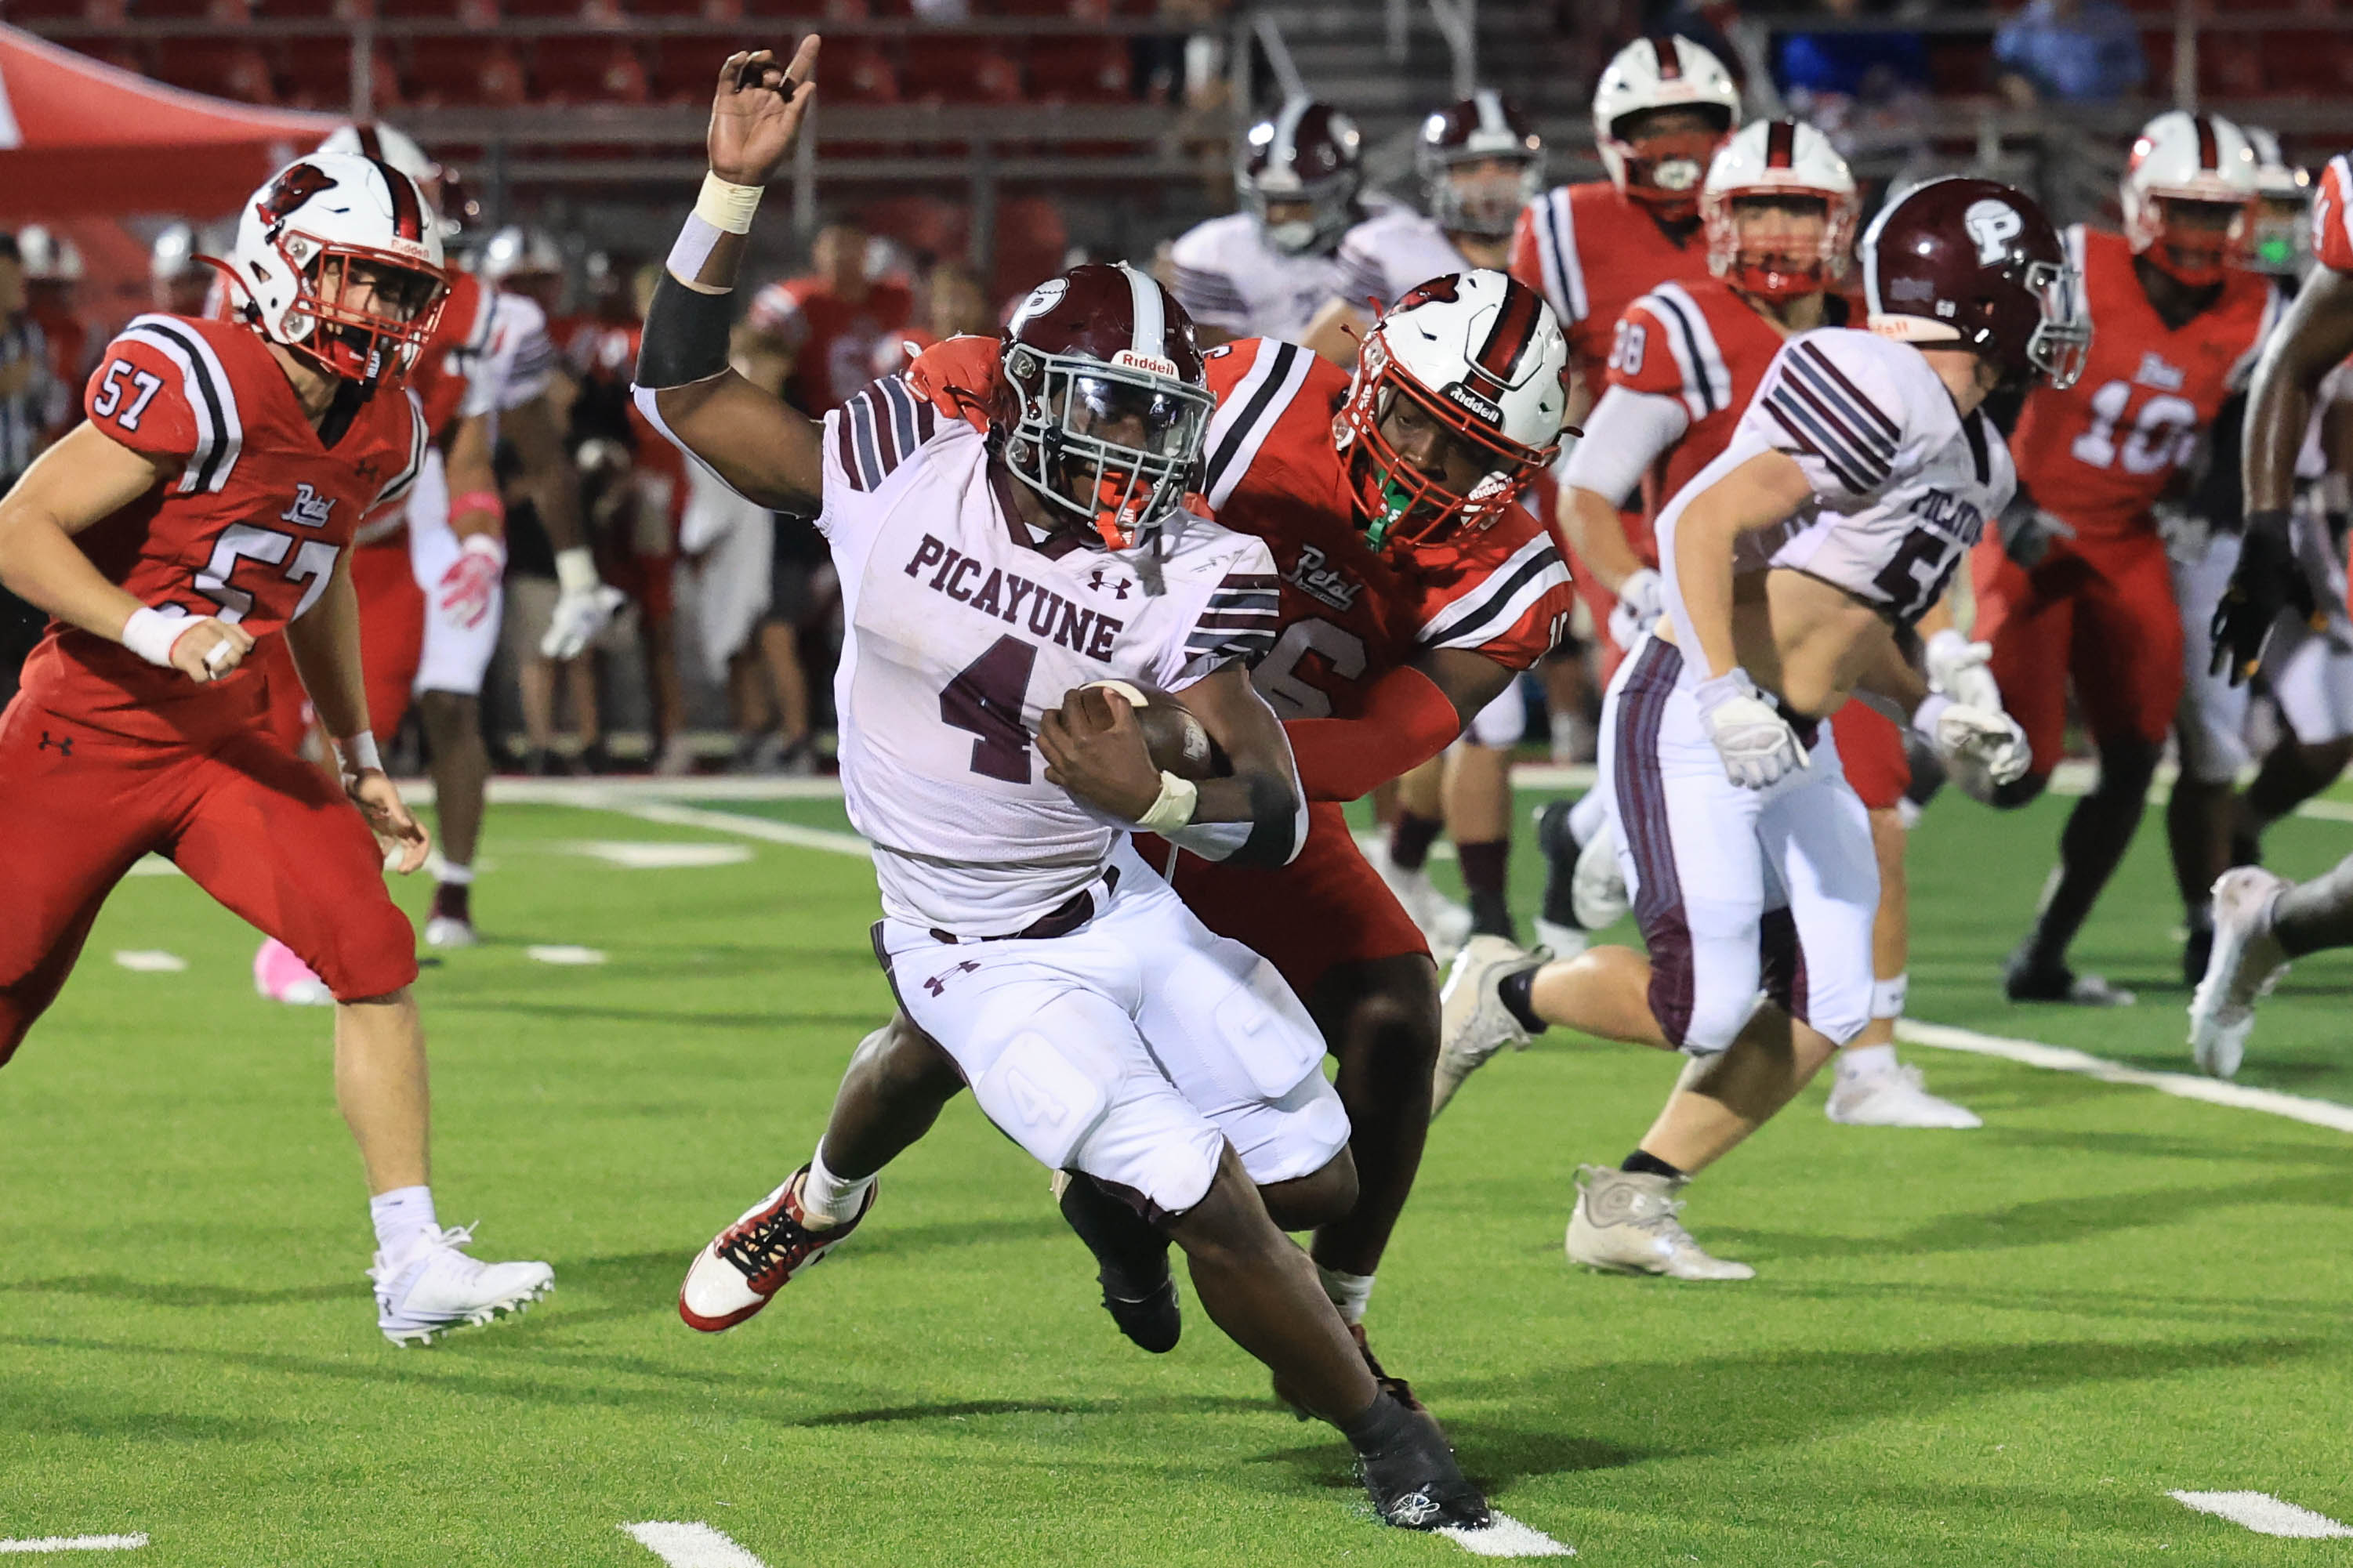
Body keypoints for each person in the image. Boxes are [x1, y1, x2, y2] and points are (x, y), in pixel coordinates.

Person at [640, 44, 1492, 1532]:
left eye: (1160, 422)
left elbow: (1275, 808)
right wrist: (730, 191)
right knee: (1214, 1198)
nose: (1137, 451)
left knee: (1320, 1184)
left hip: (1110, 896)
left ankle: (1093, 1206)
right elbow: (687, 386)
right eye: (1106, 411)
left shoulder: (1190, 568)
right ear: (1029, 394)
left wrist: (1152, 797)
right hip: (963, 932)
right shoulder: (901, 470)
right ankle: (1384, 1431)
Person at [1449, 177, 2076, 1281]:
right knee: (1704, 1003)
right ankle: (1505, 985)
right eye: (2035, 284)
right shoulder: (1876, 377)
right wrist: (1725, 689)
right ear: (1978, 293)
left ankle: (1631, 1197)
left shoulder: (1981, 455)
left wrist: (1931, 705)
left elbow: (1850, 620)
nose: (2053, 306)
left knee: (1834, 993)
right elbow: (1701, 517)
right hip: (1694, 702)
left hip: (1795, 735)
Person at [0, 151, 552, 1345]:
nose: (390, 315)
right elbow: (20, 528)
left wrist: (357, 753)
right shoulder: (194, 371)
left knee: (368, 943)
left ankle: (411, 1262)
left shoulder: (386, 421)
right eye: (363, 280)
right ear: (280, 264)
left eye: (407, 291)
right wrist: (152, 625)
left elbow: (318, 575)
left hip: (219, 746)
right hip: (79, 732)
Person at [1975, 111, 2275, 1006]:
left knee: (2137, 755)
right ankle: (1911, 738)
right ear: (2142, 207)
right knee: (2017, 772)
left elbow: (2236, 435)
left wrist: (2212, 512)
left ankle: (2043, 954)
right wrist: (2007, 497)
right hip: (2031, 526)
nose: (2199, 234)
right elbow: (1984, 381)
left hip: (2128, 539)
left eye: (2217, 216)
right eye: (2183, 210)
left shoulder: (2255, 310)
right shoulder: (2070, 263)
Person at [1510, 34, 1741, 950]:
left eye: (1695, 123)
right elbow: (1522, 362)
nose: (1677, 142)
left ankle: (1578, 835)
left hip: (1754, 488)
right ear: (1615, 135)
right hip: (1627, 494)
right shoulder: (1564, 225)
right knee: (1669, 690)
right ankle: (1666, 909)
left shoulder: (1763, 208)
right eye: (1656, 124)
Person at [1307, 93, 1550, 949]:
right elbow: (1322, 357)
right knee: (1403, 706)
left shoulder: (1551, 244)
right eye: (1470, 168)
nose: (1488, 186)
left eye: (1502, 166)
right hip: (1381, 506)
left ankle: (1473, 908)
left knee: (1485, 717)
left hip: (1483, 511)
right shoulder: (1391, 250)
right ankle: (1401, 871)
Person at [2162, 128, 2349, 987]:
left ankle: (2258, 904)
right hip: (2225, 530)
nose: (2273, 228)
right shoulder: (2230, 305)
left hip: (2312, 524)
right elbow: (2277, 386)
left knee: (2330, 730)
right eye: (2262, 210)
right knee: (2207, 738)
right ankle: (2215, 922)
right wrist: (2258, 526)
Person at [1169, 97, 1369, 350]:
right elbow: (1214, 361)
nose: (1278, 215)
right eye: (1269, 200)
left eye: (1299, 201)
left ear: (1344, 190)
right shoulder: (1216, 250)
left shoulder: (1386, 240)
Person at [738, 221, 915, 418]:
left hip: (891, 417)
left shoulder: (899, 298)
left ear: (866, 249)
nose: (838, 256)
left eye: (848, 245)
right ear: (816, 251)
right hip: (822, 420)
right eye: (831, 247)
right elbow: (753, 348)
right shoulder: (798, 300)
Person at [0, 234, 58, 710]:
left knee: (26, 608)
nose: (17, 284)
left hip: (17, 483)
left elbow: (42, 411)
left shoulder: (28, 336)